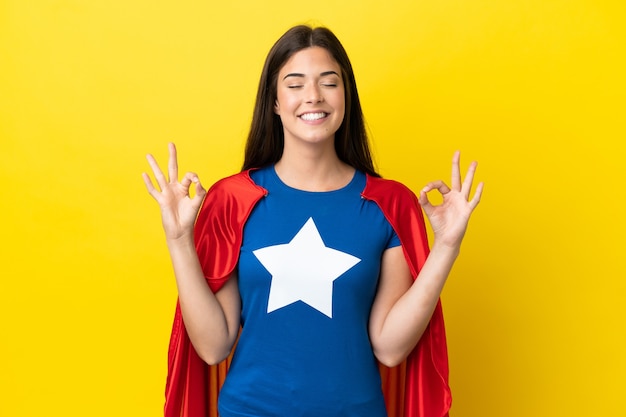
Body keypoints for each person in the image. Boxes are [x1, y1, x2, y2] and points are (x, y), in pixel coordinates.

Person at [143, 25, 483, 417]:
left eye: (329, 82)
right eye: (295, 83)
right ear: (273, 101)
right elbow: (213, 345)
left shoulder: (388, 204)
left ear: (346, 96)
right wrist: (179, 239)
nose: (313, 96)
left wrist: (447, 247)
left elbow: (390, 347)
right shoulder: (233, 200)